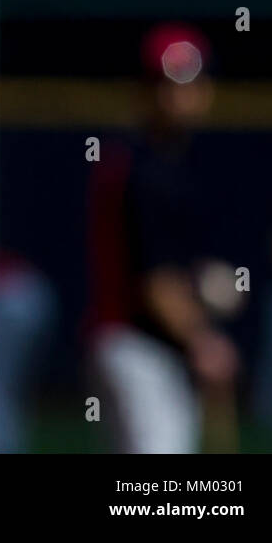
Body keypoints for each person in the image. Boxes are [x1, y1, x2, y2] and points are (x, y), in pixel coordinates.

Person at [84, 23, 240, 453]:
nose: (180, 96)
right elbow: (155, 282)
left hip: (143, 348)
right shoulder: (148, 171)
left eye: (191, 83)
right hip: (136, 348)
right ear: (145, 90)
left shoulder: (167, 164)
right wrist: (204, 341)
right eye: (167, 84)